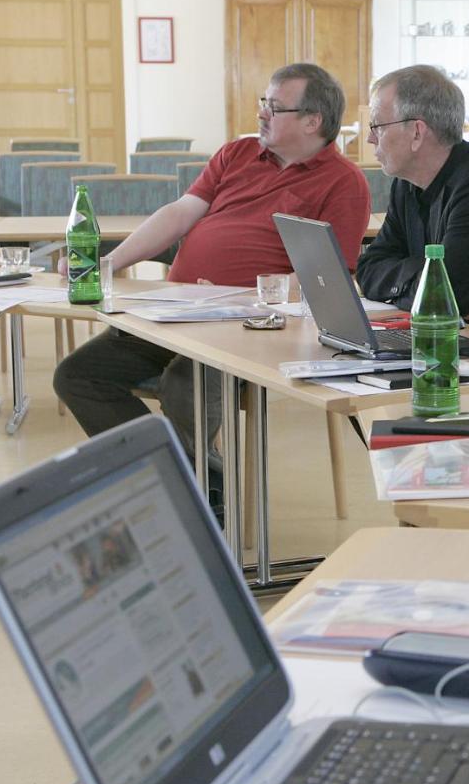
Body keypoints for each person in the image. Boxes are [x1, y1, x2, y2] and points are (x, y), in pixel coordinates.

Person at [53, 63, 370, 478]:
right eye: (264, 103)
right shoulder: (236, 154)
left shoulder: (344, 183)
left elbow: (329, 280)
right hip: (177, 312)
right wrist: (108, 264)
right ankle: (175, 477)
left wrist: (240, 298)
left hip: (247, 329)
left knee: (186, 388)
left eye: (275, 107)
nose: (262, 114)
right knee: (77, 376)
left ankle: (196, 495)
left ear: (313, 121)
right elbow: (180, 214)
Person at [354, 65, 469, 318]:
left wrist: (436, 290)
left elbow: (444, 297)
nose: (371, 139)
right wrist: (426, 273)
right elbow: (368, 269)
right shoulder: (406, 182)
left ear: (417, 132)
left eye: (377, 126)